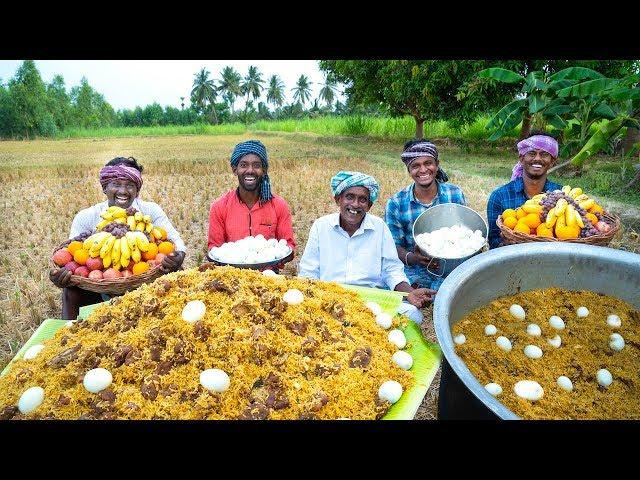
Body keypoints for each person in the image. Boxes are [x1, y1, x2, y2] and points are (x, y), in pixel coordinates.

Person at [49, 156, 187, 320]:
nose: (123, 191)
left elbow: (178, 245)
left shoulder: (150, 212)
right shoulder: (87, 216)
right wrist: (64, 276)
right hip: (98, 289)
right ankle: (68, 334)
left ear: (137, 190)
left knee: (177, 273)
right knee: (71, 291)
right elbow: (74, 256)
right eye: (116, 184)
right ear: (105, 187)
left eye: (130, 185)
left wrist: (177, 258)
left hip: (146, 284)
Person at [298, 171, 434, 324]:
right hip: (329, 298)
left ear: (369, 205)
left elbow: (391, 270)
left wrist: (409, 293)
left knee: (412, 315)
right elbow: (308, 272)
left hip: (372, 300)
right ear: (338, 199)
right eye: (350, 197)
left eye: (362, 199)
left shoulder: (379, 227)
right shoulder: (321, 226)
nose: (355, 204)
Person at [385, 140, 466, 292]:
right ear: (409, 170)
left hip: (451, 265)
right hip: (415, 269)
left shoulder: (454, 194)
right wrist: (413, 258)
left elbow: (464, 232)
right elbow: (393, 246)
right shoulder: (396, 203)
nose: (423, 170)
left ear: (437, 164)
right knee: (394, 286)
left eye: (428, 163)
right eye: (415, 165)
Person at [207, 139, 296, 265]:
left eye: (256, 165)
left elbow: (288, 246)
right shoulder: (220, 207)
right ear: (234, 169)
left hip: (269, 277)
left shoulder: (278, 205)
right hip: (231, 277)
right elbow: (214, 249)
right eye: (243, 165)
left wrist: (276, 256)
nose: (250, 170)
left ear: (264, 170)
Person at [486, 131, 563, 249]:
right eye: (532, 153)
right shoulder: (500, 197)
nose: (537, 158)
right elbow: (493, 240)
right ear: (522, 158)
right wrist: (504, 243)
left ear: (552, 161)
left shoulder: (562, 196)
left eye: (544, 154)